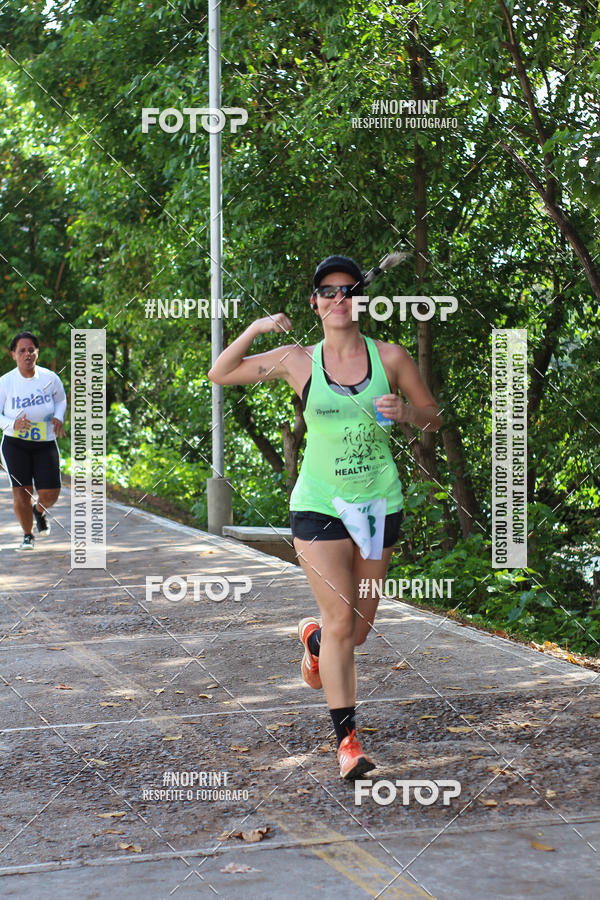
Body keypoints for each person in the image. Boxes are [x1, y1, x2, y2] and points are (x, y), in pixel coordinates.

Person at [208, 255, 442, 779]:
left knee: (355, 631)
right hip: (318, 506)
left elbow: (434, 417)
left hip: (378, 506)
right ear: (315, 303)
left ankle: (314, 643)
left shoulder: (392, 357)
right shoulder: (297, 360)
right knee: (342, 622)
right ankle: (348, 743)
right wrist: (256, 327)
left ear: (361, 300)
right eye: (328, 291)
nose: (339, 299)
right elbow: (220, 374)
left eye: (348, 290)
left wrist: (407, 413)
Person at [0, 332, 67, 550]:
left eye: (31, 350)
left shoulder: (50, 378)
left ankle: (39, 512)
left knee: (51, 493)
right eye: (22, 350)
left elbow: (61, 400)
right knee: (22, 492)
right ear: (13, 355)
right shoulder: (6, 382)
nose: (27, 354)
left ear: (37, 352)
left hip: (45, 442)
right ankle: (27, 535)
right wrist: (13, 425)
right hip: (15, 444)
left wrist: (59, 416)